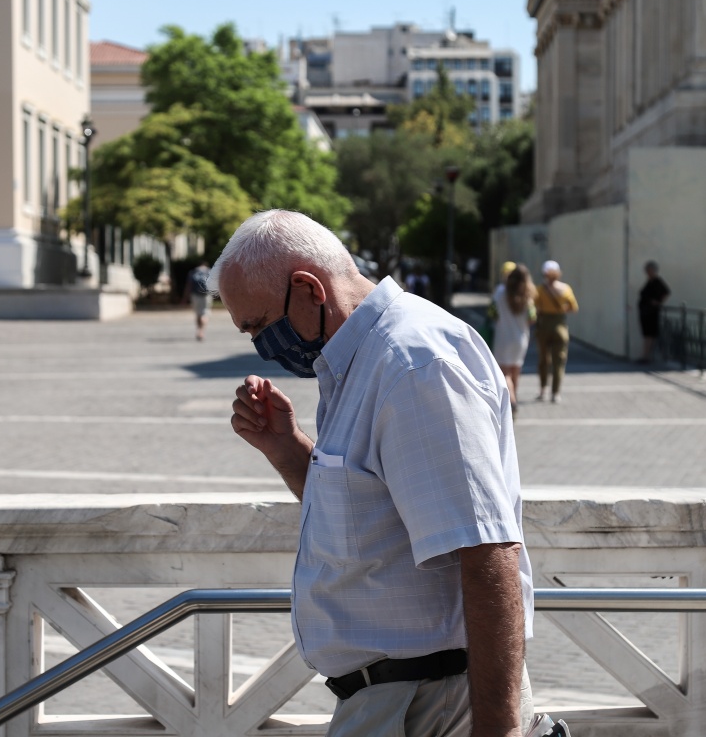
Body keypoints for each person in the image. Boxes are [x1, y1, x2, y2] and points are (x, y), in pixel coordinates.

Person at [209, 210, 547, 737]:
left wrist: (498, 731)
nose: (260, 345)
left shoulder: (412, 364)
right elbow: (370, 522)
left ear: (308, 288)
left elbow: (486, 551)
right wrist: (288, 450)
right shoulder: (358, 361)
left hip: (430, 706)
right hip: (401, 703)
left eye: (259, 325)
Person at [492, 264, 537, 417]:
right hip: (521, 338)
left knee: (505, 373)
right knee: (516, 372)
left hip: (503, 337)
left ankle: (511, 402)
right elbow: (532, 318)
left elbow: (492, 313)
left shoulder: (500, 292)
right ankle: (514, 397)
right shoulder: (528, 294)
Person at [533, 260, 578, 403]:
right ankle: (556, 392)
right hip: (560, 326)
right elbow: (573, 308)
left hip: (544, 326)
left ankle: (543, 389)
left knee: (543, 359)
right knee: (559, 360)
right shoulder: (566, 289)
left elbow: (535, 308)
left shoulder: (540, 289)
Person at [637, 261, 670, 364]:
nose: (646, 272)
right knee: (647, 334)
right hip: (645, 312)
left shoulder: (657, 281)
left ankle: (647, 357)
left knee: (650, 334)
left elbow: (666, 292)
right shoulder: (649, 281)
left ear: (653, 270)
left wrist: (658, 302)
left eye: (648, 270)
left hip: (651, 312)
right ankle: (645, 356)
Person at [189, 261, 211, 340]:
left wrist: (184, 298)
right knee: (205, 313)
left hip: (195, 295)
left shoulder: (194, 272)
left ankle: (198, 329)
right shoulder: (209, 271)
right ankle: (201, 331)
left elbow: (189, 285)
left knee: (198, 313)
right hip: (206, 295)